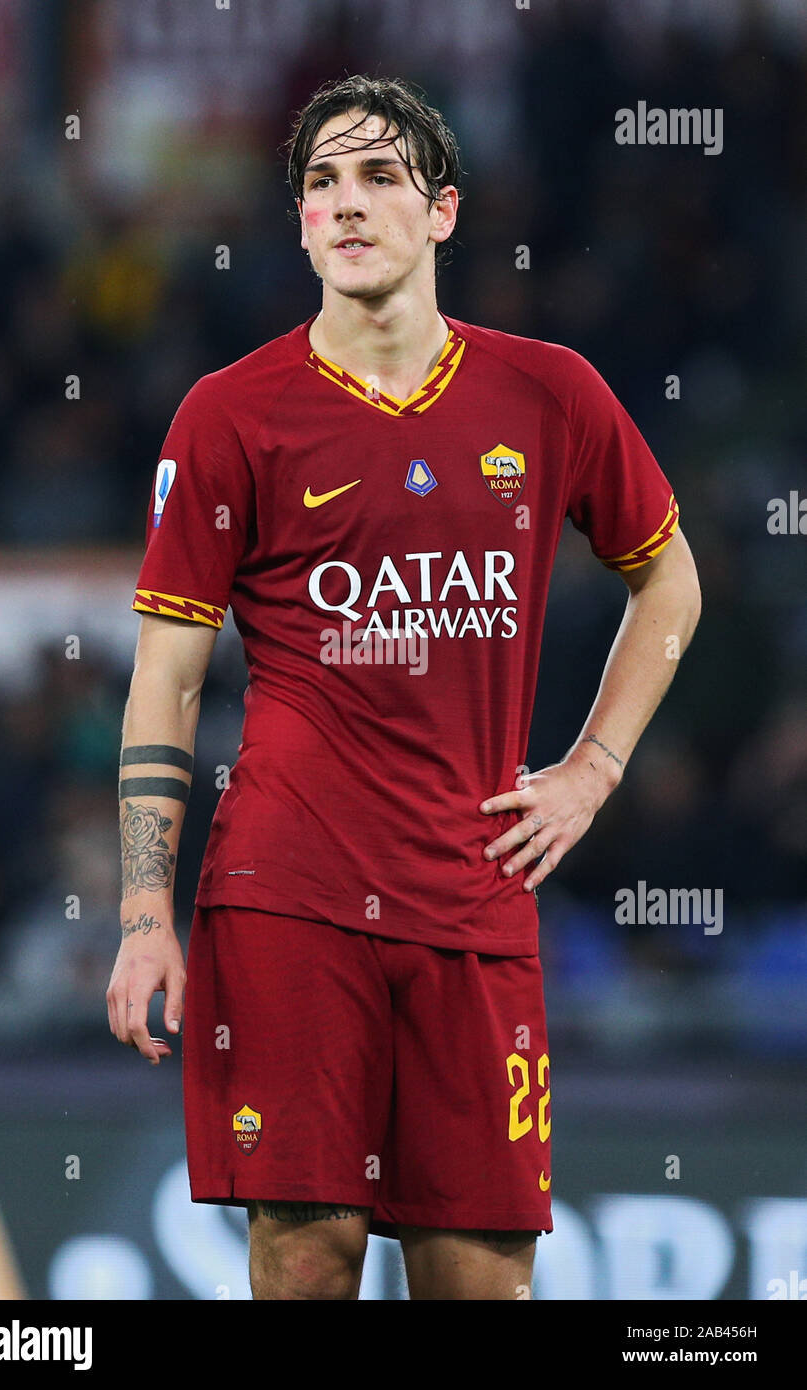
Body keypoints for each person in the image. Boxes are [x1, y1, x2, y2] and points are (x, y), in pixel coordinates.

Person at [106, 75, 701, 1301]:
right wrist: (140, 914)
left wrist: (591, 768)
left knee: (481, 1272)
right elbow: (165, 682)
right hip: (287, 890)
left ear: (441, 213)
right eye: (321, 181)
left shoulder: (549, 395)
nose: (347, 201)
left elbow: (670, 584)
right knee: (306, 1252)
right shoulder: (228, 416)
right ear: (299, 224)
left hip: (474, 893)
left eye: (379, 176)